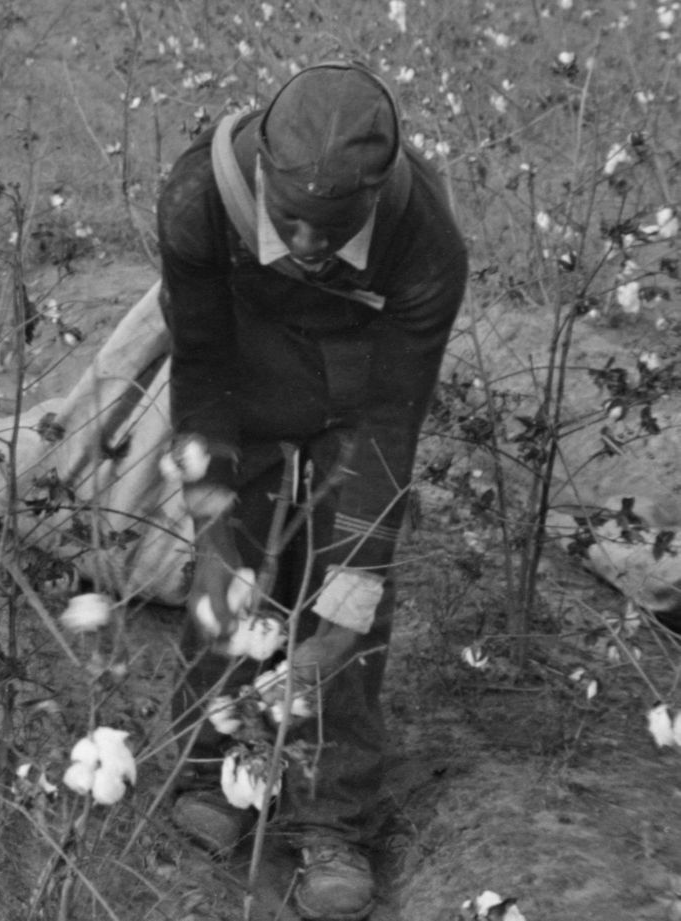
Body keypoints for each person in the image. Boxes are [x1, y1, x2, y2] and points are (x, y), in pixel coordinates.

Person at [159, 63, 466, 921]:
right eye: (285, 216)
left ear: (374, 200)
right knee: (230, 579)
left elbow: (391, 417)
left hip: (359, 398)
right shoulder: (198, 198)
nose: (301, 241)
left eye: (329, 227)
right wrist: (215, 523)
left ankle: (332, 816)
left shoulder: (426, 240)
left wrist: (350, 590)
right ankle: (212, 767)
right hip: (244, 386)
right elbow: (203, 364)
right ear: (257, 169)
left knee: (346, 604)